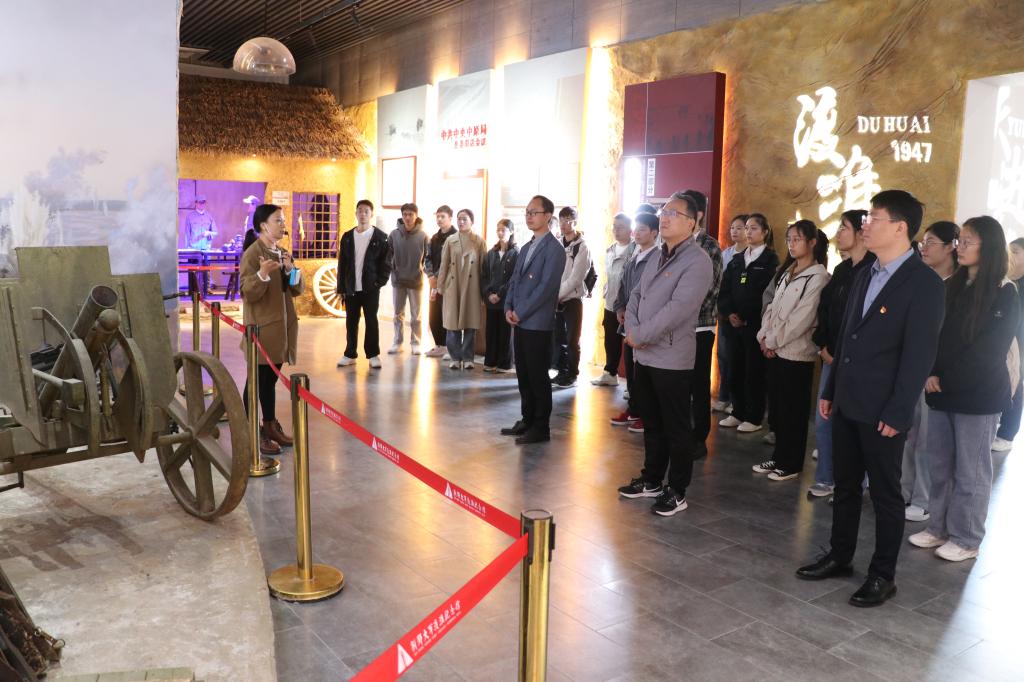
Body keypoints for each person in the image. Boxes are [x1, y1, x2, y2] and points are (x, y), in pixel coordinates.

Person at [797, 189, 945, 608]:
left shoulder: (924, 283)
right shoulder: (865, 272)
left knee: (884, 494)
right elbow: (847, 337)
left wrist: (898, 412)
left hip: (883, 409)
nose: (866, 225)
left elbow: (919, 356)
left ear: (900, 227)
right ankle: (840, 555)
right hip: (847, 400)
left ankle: (883, 574)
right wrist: (830, 390)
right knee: (845, 485)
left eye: (874, 218)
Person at [908, 217, 1018, 562]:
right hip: (940, 390)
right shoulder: (951, 285)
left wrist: (945, 378)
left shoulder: (1004, 291)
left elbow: (990, 350)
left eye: (968, 241)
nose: (961, 247)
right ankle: (938, 527)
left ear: (990, 245)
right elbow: (931, 334)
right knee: (940, 464)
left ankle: (967, 538)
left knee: (971, 470)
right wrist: (930, 373)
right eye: (960, 240)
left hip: (978, 395)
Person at [617, 192, 713, 516]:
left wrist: (640, 335)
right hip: (644, 354)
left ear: (692, 222)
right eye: (665, 211)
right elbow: (636, 295)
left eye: (674, 213)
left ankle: (677, 490)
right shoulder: (658, 254)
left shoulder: (698, 261)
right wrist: (633, 329)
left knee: (676, 428)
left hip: (671, 358)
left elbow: (678, 310)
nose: (666, 217)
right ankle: (652, 479)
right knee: (652, 422)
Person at [753, 220, 830, 480]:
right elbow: (772, 308)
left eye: (797, 239)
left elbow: (802, 318)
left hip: (796, 353)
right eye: (789, 239)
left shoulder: (818, 277)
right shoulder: (788, 272)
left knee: (793, 410)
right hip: (775, 348)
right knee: (778, 409)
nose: (792, 244)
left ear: (812, 242)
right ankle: (778, 458)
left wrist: (773, 341)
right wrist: (764, 337)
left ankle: (791, 463)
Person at [808, 210, 873, 498]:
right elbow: (825, 309)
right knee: (824, 420)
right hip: (831, 357)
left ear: (860, 233)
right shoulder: (843, 269)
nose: (838, 233)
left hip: (856, 363)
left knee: (853, 426)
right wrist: (823, 345)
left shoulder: (873, 270)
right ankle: (826, 478)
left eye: (844, 227)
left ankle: (853, 485)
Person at [899, 220, 958, 519]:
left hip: (934, 372)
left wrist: (934, 369)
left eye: (931, 242)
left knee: (927, 440)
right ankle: (904, 491)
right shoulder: (921, 279)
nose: (923, 247)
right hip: (912, 366)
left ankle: (923, 500)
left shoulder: (956, 286)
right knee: (908, 434)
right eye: (923, 241)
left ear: (950, 248)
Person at [501, 196, 567, 445]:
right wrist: (508, 307)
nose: (529, 216)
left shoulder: (555, 249)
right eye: (527, 212)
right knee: (524, 374)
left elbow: (545, 288)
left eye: (534, 212)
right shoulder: (527, 246)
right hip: (519, 320)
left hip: (537, 323)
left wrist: (521, 311)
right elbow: (515, 280)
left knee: (538, 376)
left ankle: (541, 427)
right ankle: (527, 419)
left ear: (548, 216)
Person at [239, 204, 303, 455]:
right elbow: (248, 292)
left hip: (281, 330)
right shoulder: (253, 254)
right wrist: (262, 274)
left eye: (283, 220)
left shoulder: (282, 253)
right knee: (257, 382)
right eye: (278, 220)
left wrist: (291, 270)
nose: (283, 224)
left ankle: (269, 425)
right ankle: (249, 432)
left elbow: (296, 289)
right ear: (263, 225)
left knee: (269, 381)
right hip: (261, 331)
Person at [718, 214, 779, 433]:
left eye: (754, 228)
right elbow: (724, 289)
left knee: (754, 372)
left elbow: (766, 294)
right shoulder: (737, 260)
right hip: (733, 325)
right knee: (734, 369)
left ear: (765, 232)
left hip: (755, 325)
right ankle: (738, 411)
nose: (748, 232)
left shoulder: (770, 260)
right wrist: (730, 313)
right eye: (747, 228)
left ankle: (754, 417)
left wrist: (746, 315)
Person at [679, 189, 724, 459]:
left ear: (696, 216)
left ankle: (699, 438)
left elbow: (711, 289)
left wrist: (680, 311)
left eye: (679, 212)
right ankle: (680, 433)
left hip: (700, 326)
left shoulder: (709, 246)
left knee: (697, 383)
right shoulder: (673, 243)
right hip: (675, 327)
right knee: (678, 383)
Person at [610, 212, 659, 432]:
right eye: (635, 229)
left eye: (642, 229)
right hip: (628, 322)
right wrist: (620, 308)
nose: (636, 233)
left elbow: (652, 294)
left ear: (654, 233)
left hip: (643, 324)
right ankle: (634, 409)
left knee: (644, 372)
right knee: (630, 369)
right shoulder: (634, 255)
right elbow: (623, 285)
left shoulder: (658, 258)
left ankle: (647, 416)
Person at [336, 200, 392, 369]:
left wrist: (378, 282)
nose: (362, 214)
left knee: (371, 321)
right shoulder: (347, 237)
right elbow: (342, 264)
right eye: (360, 210)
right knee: (351, 321)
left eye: (366, 211)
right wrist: (341, 288)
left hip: (370, 288)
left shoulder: (381, 237)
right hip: (351, 287)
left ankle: (373, 355)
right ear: (356, 213)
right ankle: (350, 354)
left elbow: (386, 263)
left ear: (371, 214)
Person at [437, 209, 487, 370]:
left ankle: (468, 357)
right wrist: (440, 286)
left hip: (472, 287)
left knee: (470, 324)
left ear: (472, 221)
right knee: (452, 324)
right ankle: (455, 357)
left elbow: (483, 269)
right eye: (459, 219)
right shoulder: (450, 240)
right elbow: (444, 264)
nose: (461, 222)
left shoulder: (479, 241)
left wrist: (484, 291)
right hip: (453, 286)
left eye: (464, 219)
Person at [593, 214, 635, 387]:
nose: (616, 231)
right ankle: (610, 373)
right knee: (610, 340)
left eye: (621, 227)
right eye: (614, 227)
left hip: (628, 305)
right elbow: (609, 276)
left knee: (629, 343)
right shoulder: (610, 249)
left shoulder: (635, 249)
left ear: (630, 230)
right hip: (610, 302)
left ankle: (633, 384)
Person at [551, 207, 592, 388]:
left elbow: (577, 277)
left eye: (568, 220)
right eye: (561, 220)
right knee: (558, 338)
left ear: (575, 222)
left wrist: (558, 295)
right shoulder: (557, 244)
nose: (564, 224)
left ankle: (572, 374)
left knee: (572, 340)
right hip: (556, 299)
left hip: (573, 299)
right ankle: (561, 371)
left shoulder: (582, 246)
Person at [713, 214, 749, 413]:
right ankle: (724, 396)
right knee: (723, 355)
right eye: (732, 227)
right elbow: (719, 283)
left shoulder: (753, 256)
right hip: (725, 313)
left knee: (739, 359)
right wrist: (724, 310)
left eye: (740, 228)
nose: (734, 231)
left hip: (744, 316)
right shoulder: (726, 254)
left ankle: (737, 401)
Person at [992, 236, 1024, 451]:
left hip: (1019, 345)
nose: (1010, 256)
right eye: (1009, 251)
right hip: (1002, 342)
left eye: (1016, 252)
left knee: (1017, 384)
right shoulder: (1002, 281)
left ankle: (1007, 434)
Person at [388, 203, 432, 355]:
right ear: (402, 216)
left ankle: (416, 343)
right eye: (405, 214)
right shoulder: (394, 235)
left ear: (416, 216)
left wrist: (425, 273)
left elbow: (427, 258)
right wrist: (393, 270)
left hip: (416, 281)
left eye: (410, 214)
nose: (407, 217)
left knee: (416, 316)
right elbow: (388, 255)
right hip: (398, 280)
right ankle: (397, 342)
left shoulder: (423, 236)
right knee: (397, 314)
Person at [481, 219, 519, 372]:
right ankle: (490, 362)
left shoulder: (516, 253)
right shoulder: (491, 253)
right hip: (491, 300)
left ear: (511, 231)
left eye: (503, 230)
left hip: (506, 300)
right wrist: (488, 294)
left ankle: (504, 363)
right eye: (498, 230)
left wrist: (500, 294)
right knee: (491, 332)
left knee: (505, 333)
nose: (500, 233)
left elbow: (514, 278)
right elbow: (484, 276)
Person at [426, 206, 457, 358]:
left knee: (447, 315)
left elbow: (451, 262)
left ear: (450, 217)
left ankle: (448, 347)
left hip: (448, 283)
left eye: (442, 216)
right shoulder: (434, 238)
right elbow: (427, 258)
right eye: (437, 216)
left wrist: (438, 278)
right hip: (434, 283)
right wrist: (430, 276)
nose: (439, 219)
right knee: (434, 315)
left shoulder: (456, 237)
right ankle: (439, 345)